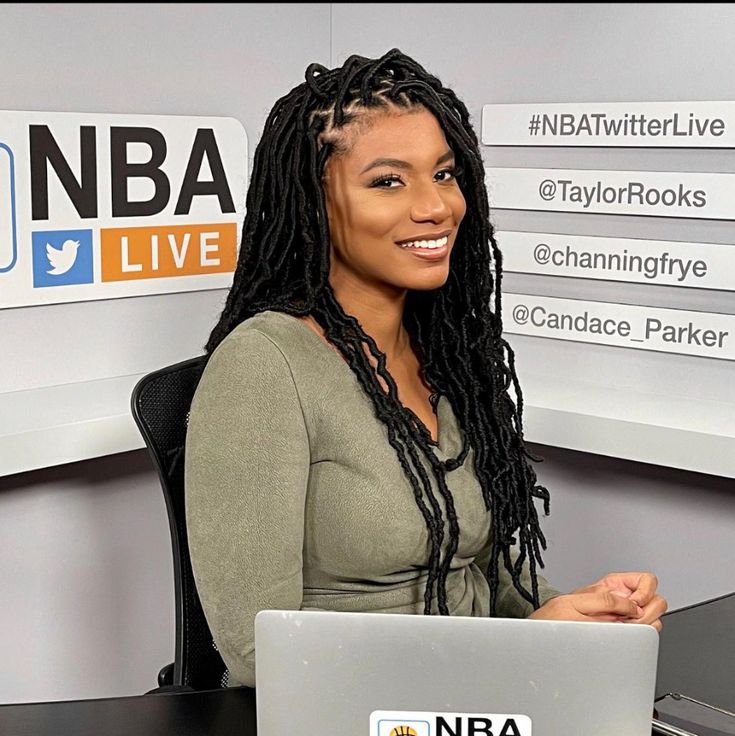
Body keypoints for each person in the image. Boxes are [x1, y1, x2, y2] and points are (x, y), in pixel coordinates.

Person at [184, 48, 667, 689]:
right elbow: (256, 653)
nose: (435, 206)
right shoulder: (263, 367)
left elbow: (483, 577)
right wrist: (526, 644)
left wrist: (582, 614)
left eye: (443, 174)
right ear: (314, 202)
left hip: (473, 694)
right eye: (388, 181)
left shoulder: (447, 356)